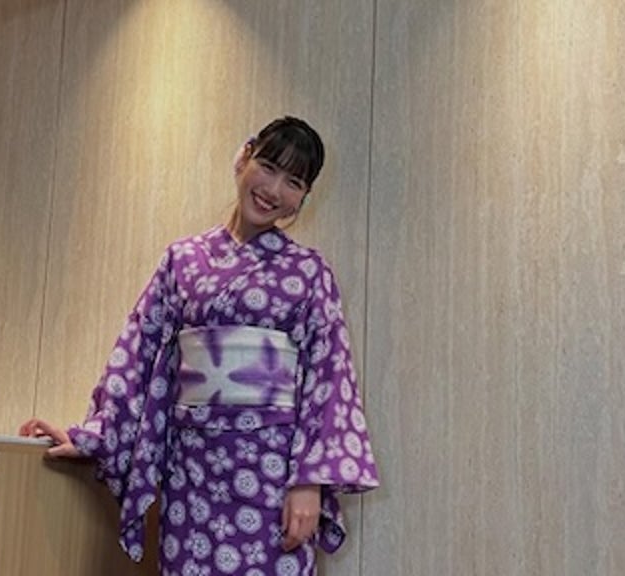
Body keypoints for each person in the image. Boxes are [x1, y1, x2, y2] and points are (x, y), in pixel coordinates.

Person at [20, 116, 379, 576]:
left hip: (271, 475)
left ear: (304, 197)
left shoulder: (309, 272)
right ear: (244, 157)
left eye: (294, 182)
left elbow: (330, 377)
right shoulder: (183, 260)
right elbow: (138, 351)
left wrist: (309, 482)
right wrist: (96, 433)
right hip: (192, 472)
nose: (274, 190)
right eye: (268, 167)